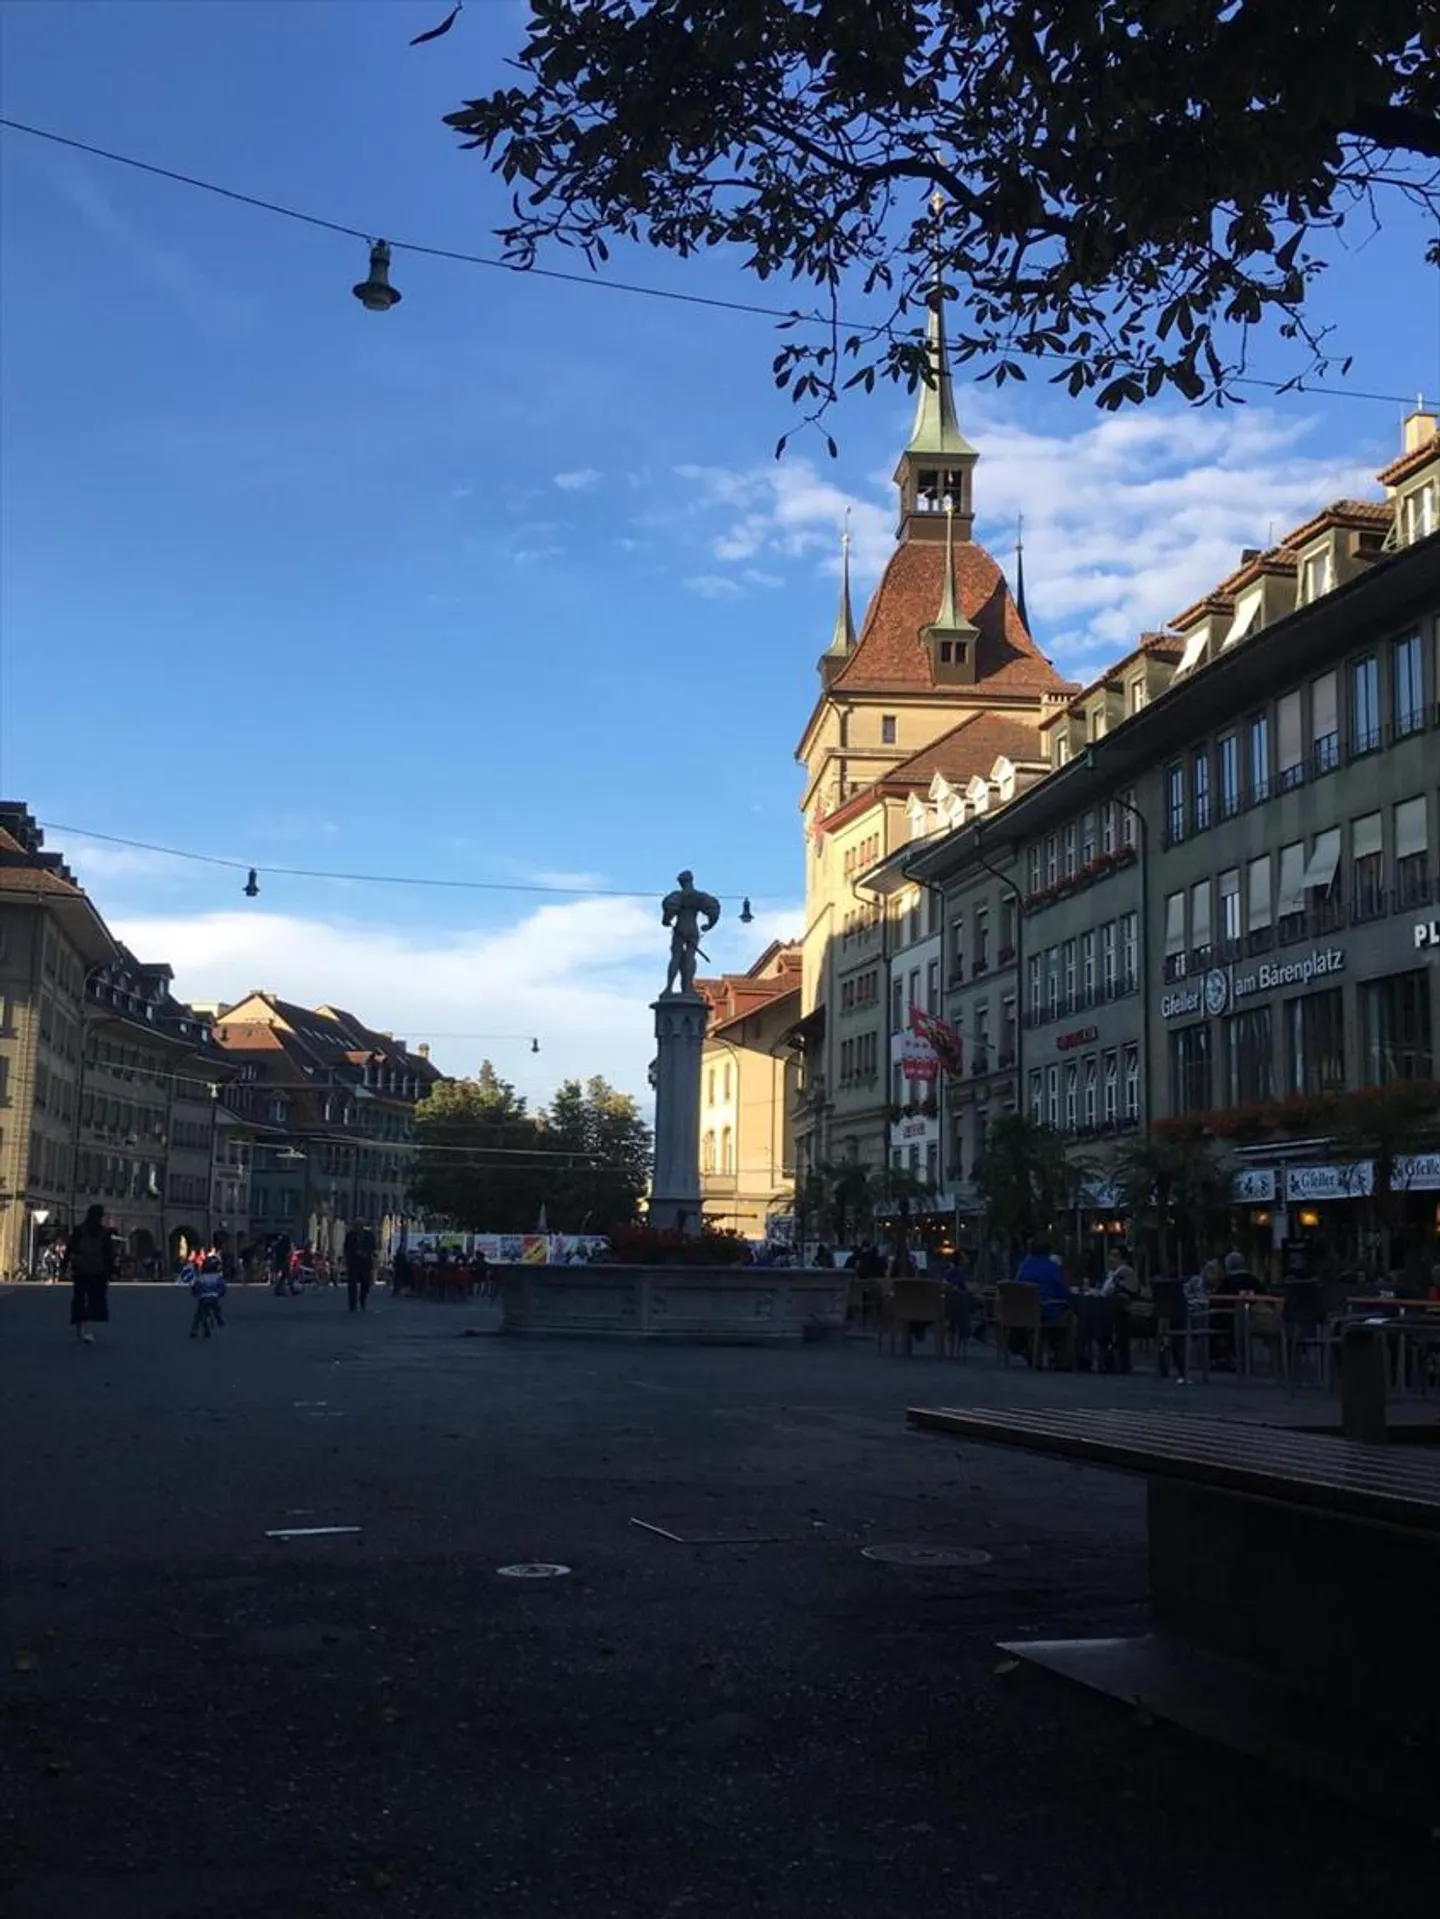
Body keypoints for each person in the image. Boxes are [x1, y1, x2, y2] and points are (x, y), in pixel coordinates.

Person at [66, 1204, 115, 1345]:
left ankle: (81, 1326)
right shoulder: (104, 1233)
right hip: (97, 1271)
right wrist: (111, 1271)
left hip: (81, 1269)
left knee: (80, 1298)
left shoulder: (79, 1230)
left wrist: (66, 1264)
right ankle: (87, 1329)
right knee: (94, 1300)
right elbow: (108, 1254)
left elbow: (70, 1249)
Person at [344, 1220, 377, 1313]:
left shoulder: (369, 1235)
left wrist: (366, 1252)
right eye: (356, 1225)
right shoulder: (350, 1235)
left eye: (360, 1225)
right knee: (352, 1285)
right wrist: (353, 1253)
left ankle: (362, 1299)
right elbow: (346, 1248)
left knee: (366, 1283)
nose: (358, 1227)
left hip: (365, 1263)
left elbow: (373, 1246)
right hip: (353, 1263)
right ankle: (352, 1305)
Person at [190, 1255, 227, 1339]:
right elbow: (223, 1288)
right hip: (214, 1297)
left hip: (203, 1298)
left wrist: (196, 1295)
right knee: (217, 1307)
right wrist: (220, 1294)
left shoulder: (200, 1278)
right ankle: (219, 1318)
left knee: (198, 1314)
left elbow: (195, 1287)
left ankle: (194, 1330)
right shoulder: (217, 1277)